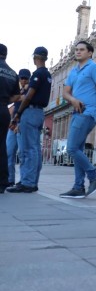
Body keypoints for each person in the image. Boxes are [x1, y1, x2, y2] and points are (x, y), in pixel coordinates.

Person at [59, 40, 96, 199]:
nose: (78, 52)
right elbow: (65, 93)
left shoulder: (93, 67)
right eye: (76, 50)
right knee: (77, 149)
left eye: (82, 49)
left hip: (88, 112)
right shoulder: (73, 71)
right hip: (76, 113)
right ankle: (78, 187)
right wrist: (72, 100)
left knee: (72, 148)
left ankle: (94, 176)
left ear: (90, 53)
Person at [8, 48, 52, 193]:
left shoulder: (38, 74)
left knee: (28, 149)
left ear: (35, 58)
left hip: (30, 112)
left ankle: (27, 182)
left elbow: (28, 96)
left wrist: (18, 114)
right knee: (35, 149)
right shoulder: (47, 74)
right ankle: (32, 180)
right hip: (39, 112)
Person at [0, 44, 22, 193]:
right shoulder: (13, 73)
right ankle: (2, 182)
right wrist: (5, 100)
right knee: (2, 146)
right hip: (3, 111)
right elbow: (17, 96)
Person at [6, 69, 30, 188]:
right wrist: (12, 121)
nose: (23, 80)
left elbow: (25, 104)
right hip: (13, 124)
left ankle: (23, 180)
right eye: (22, 78)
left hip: (22, 124)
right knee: (9, 152)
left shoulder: (30, 91)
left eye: (26, 78)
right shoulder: (18, 90)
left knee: (22, 153)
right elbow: (14, 107)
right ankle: (10, 179)